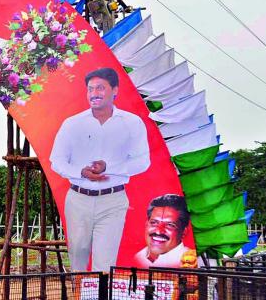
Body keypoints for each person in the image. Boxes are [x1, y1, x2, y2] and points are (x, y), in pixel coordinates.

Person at [49, 67, 150, 271]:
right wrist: (80, 172)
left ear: (115, 90)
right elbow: (56, 160)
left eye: (100, 88)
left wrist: (109, 167)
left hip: (113, 200)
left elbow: (143, 161)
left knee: (104, 264)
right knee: (77, 257)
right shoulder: (73, 124)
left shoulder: (132, 123)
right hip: (78, 200)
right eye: (90, 89)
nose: (94, 93)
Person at [134, 194, 195, 267]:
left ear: (184, 232)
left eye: (170, 225)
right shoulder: (139, 257)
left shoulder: (188, 262)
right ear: (146, 224)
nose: (158, 231)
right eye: (154, 222)